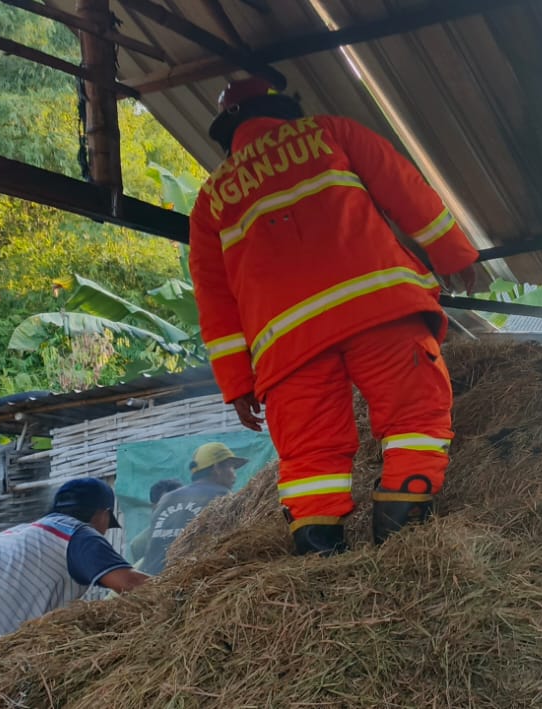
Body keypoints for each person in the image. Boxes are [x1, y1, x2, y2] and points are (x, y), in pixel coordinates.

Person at [189, 78, 481, 556]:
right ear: (283, 107)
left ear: (227, 129)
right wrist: (453, 253)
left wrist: (237, 382)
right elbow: (403, 185)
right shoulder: (329, 132)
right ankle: (403, 548)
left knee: (310, 459)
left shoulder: (211, 200)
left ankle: (322, 569)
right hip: (380, 309)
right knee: (415, 418)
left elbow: (214, 300)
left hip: (288, 348)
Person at [0, 478, 147, 705]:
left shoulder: (23, 535)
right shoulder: (76, 535)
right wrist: (179, 586)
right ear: (102, 514)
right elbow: (131, 584)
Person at [137, 443, 245, 575]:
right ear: (217, 468)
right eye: (232, 467)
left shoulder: (167, 498)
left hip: (150, 582)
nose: (234, 475)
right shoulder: (222, 497)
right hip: (190, 582)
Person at [128, 478, 185, 564]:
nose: (177, 508)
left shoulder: (199, 531)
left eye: (181, 502)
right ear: (155, 508)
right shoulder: (141, 544)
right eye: (170, 505)